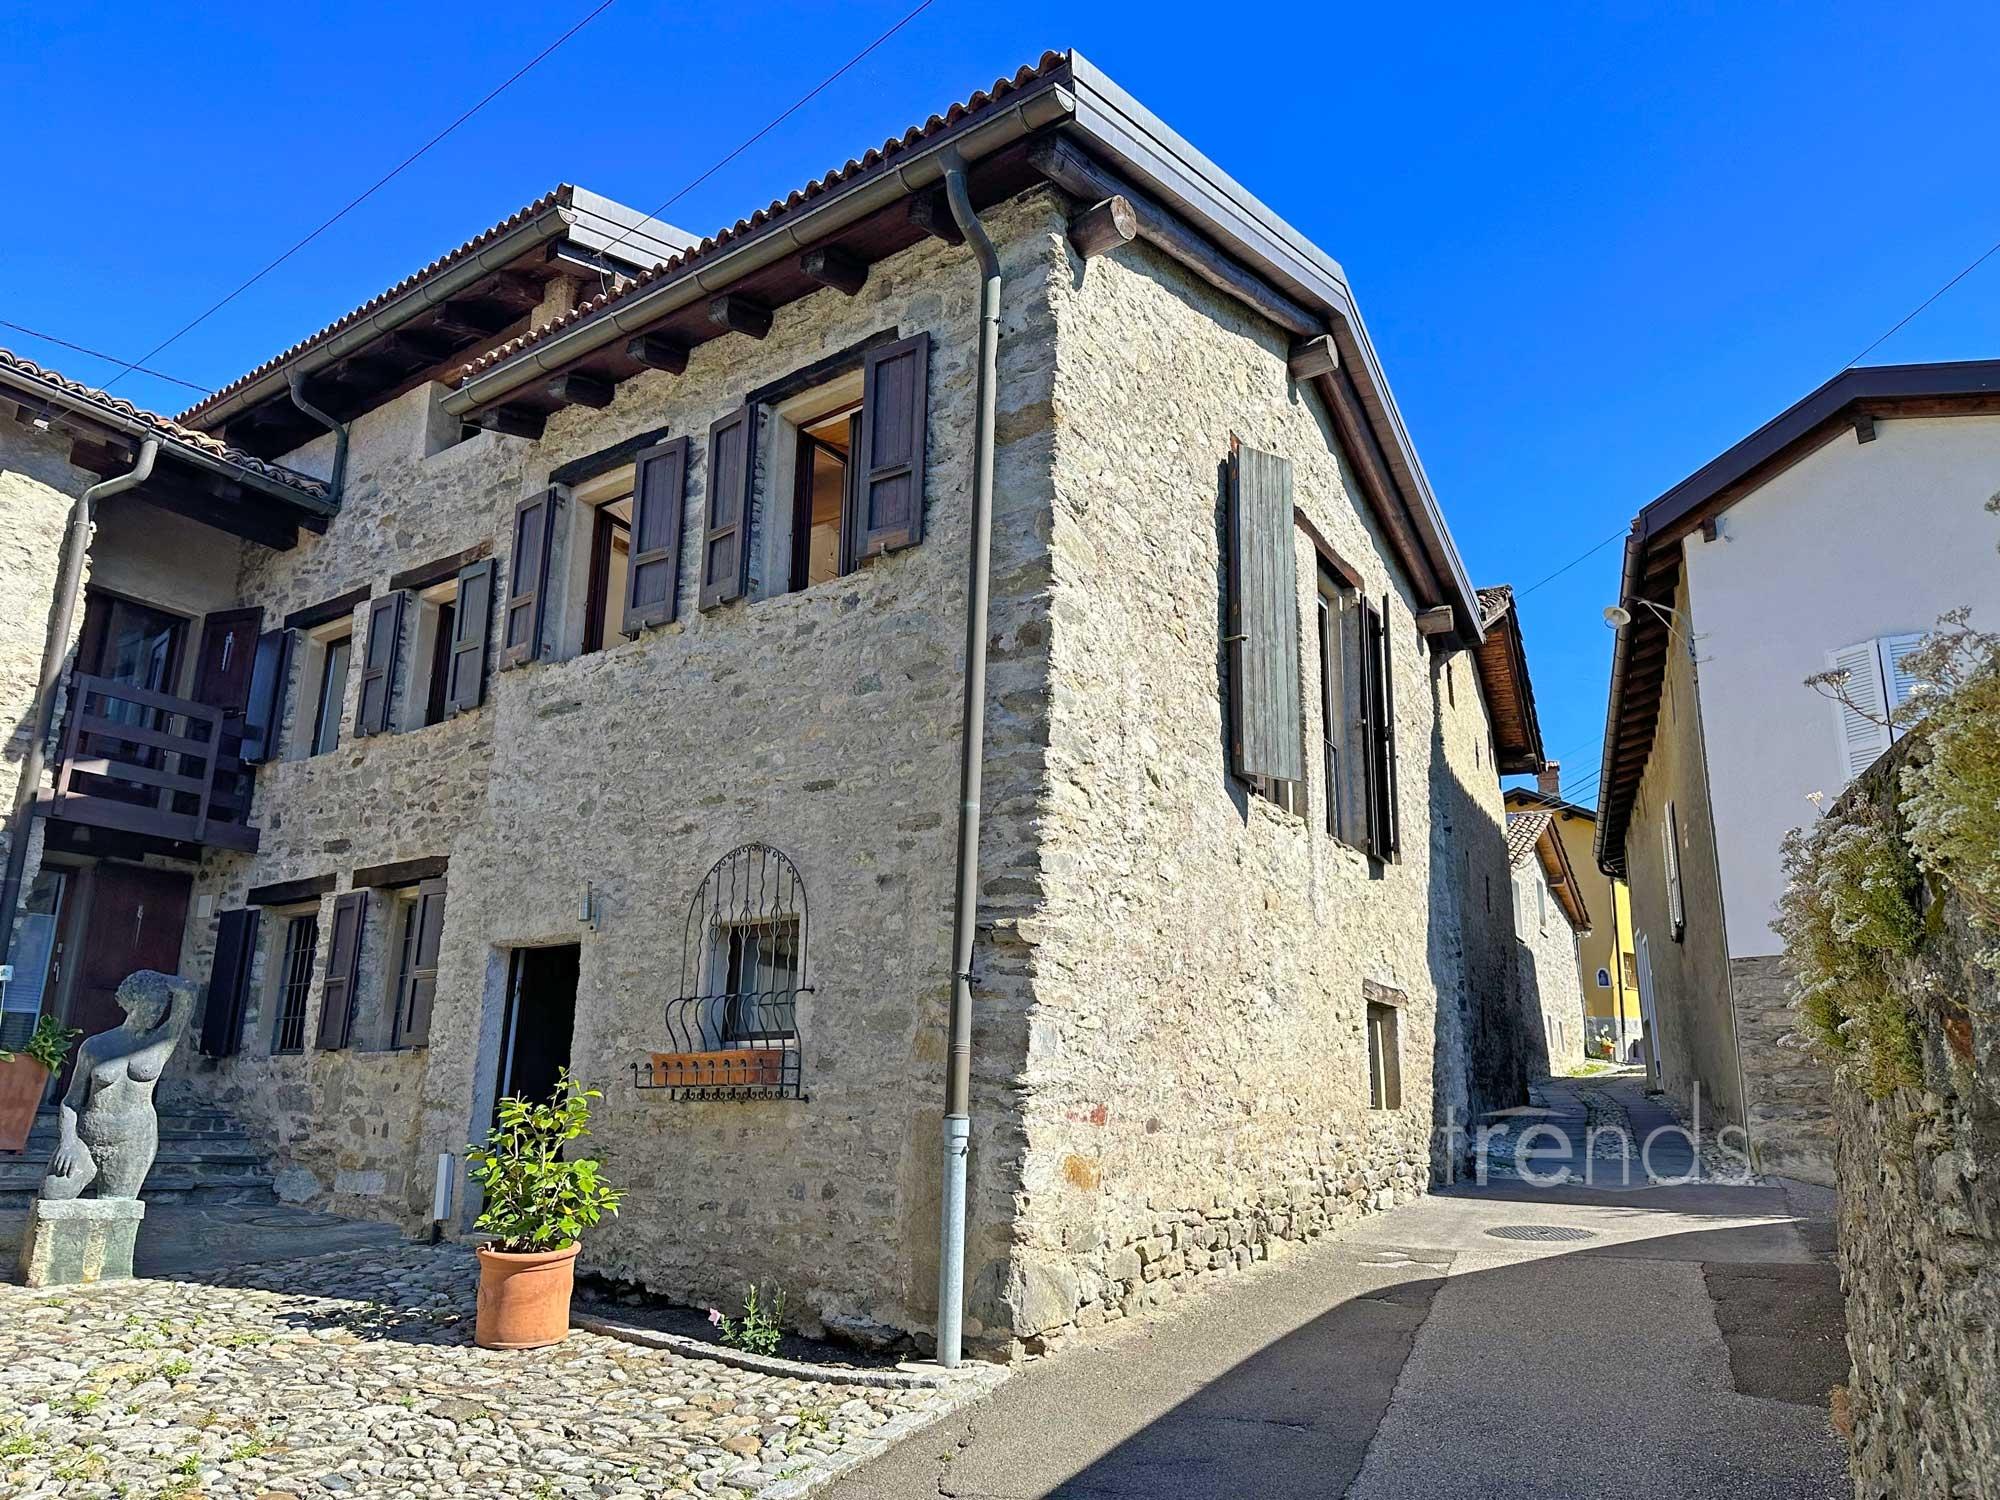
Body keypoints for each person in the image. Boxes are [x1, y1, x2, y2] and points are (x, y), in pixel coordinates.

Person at [39, 969, 192, 1202]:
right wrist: (68, 1142)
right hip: (87, 1138)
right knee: (52, 1196)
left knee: (116, 1210)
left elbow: (189, 991)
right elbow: (71, 1101)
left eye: (161, 1005)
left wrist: (158, 980)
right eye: (150, 1003)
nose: (157, 1011)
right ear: (132, 1003)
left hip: (134, 1140)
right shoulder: (96, 1046)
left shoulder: (161, 1042)